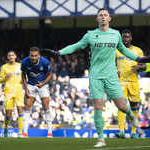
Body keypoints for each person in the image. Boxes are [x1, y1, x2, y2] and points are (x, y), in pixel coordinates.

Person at [40, 8, 150, 147]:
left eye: (105, 15)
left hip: (111, 76)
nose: (103, 17)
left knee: (122, 107)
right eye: (100, 16)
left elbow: (124, 51)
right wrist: (58, 53)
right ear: (97, 19)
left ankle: (131, 115)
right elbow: (76, 46)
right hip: (95, 76)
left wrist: (141, 58)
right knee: (97, 106)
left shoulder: (115, 34)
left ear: (109, 18)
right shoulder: (90, 35)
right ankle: (101, 139)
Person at [115, 29, 146, 139]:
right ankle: (121, 131)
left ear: (131, 38)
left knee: (134, 106)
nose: (125, 39)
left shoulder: (137, 51)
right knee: (121, 106)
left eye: (127, 37)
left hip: (133, 81)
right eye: (123, 37)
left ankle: (133, 132)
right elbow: (110, 63)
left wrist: (139, 66)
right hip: (121, 82)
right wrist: (114, 69)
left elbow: (145, 66)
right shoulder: (116, 50)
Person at [21, 47, 53, 138]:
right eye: (32, 56)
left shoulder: (45, 62)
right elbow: (23, 74)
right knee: (27, 107)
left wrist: (43, 83)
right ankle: (25, 132)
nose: (33, 58)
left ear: (39, 55)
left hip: (42, 85)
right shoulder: (25, 62)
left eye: (35, 56)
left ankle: (50, 132)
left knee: (46, 105)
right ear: (29, 55)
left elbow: (50, 74)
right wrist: (26, 87)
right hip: (30, 85)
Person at [0, 51, 24, 137]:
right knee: (8, 114)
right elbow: (0, 80)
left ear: (15, 56)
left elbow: (25, 77)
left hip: (19, 92)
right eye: (9, 55)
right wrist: (5, 78)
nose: (11, 57)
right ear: (7, 57)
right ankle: (6, 127)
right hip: (8, 93)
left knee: (20, 110)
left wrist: (23, 81)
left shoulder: (20, 66)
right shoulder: (4, 67)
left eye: (12, 55)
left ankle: (20, 132)